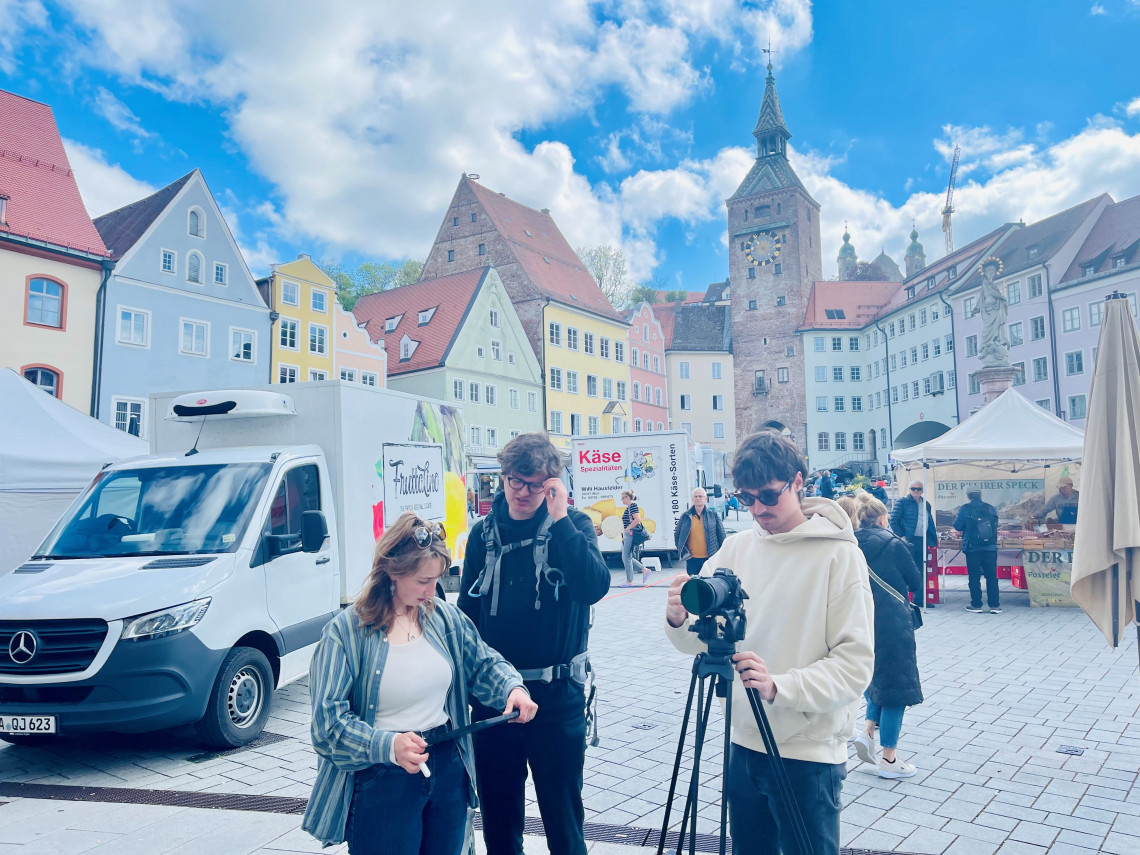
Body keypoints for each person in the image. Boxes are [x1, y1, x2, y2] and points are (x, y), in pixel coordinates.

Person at [665, 431, 874, 855]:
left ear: (798, 482)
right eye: (746, 499)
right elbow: (702, 644)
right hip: (742, 743)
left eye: (769, 496)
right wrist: (678, 619)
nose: (758, 509)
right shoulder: (735, 547)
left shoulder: (839, 555)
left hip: (808, 755)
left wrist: (781, 685)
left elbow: (855, 665)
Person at [304, 513, 539, 853]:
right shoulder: (346, 633)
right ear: (392, 572)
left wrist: (511, 688)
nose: (432, 591)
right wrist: (387, 746)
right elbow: (327, 725)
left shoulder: (445, 618)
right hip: (383, 776)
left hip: (448, 764)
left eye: (436, 579)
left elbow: (484, 663)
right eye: (422, 581)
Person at [459, 433, 610, 855]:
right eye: (514, 481)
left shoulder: (574, 527)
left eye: (535, 484)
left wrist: (560, 518)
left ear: (552, 484)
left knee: (564, 823)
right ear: (503, 478)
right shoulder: (483, 534)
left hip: (557, 697)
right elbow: (467, 622)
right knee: (500, 825)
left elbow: (594, 586)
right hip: (495, 701)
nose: (523, 492)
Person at [840, 493, 924, 779]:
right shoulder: (893, 543)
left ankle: (866, 732)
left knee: (876, 676)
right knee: (897, 686)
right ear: (883, 517)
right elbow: (915, 581)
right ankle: (889, 759)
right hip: (892, 620)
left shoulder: (850, 543)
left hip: (862, 618)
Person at [953, 489, 1001, 614]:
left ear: (968, 496)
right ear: (980, 495)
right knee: (991, 576)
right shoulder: (990, 508)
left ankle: (976, 605)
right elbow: (996, 525)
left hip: (972, 547)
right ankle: (995, 606)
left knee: (974, 576)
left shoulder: (965, 508)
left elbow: (957, 526)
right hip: (990, 547)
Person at [674, 486, 727, 576]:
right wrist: (684, 553)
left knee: (709, 584)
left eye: (701, 496)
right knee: (695, 585)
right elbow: (677, 536)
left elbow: (721, 535)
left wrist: (720, 554)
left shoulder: (713, 515)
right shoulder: (685, 516)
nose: (698, 498)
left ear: (705, 499)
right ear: (692, 499)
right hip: (692, 559)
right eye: (696, 496)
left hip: (710, 558)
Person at [890, 480, 937, 576]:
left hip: (923, 540)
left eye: (918, 489)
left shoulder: (926, 504)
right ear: (909, 490)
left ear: (922, 490)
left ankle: (921, 590)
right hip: (908, 540)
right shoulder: (902, 502)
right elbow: (893, 521)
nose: (916, 491)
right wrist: (902, 536)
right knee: (910, 568)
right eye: (913, 489)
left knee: (922, 569)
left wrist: (932, 538)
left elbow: (929, 521)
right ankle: (912, 590)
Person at [619, 489, 650, 587]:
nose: (621, 500)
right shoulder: (629, 507)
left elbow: (637, 519)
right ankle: (644, 570)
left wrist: (628, 529)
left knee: (626, 556)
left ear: (628, 498)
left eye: (622, 498)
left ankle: (629, 581)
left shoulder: (632, 506)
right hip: (628, 534)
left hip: (631, 533)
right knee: (626, 556)